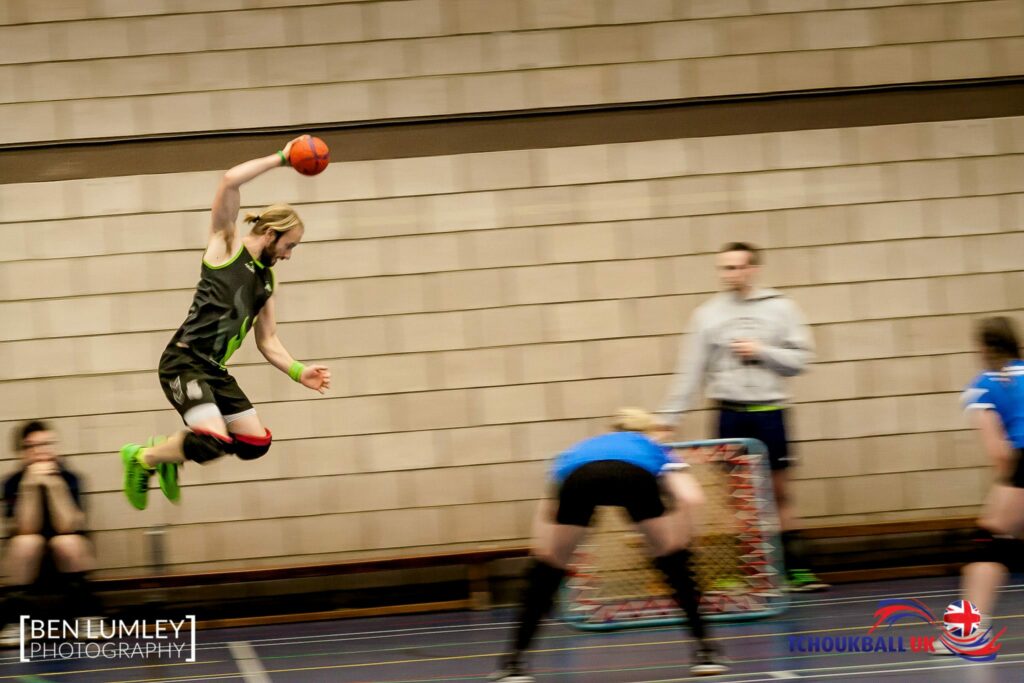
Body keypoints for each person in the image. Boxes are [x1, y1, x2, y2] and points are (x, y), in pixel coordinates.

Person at [120, 138, 331, 510]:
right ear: (271, 234)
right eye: (290, 245)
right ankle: (144, 458)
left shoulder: (267, 280)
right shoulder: (226, 244)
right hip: (183, 361)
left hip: (214, 370)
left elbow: (268, 341)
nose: (289, 255)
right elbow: (230, 181)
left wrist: (300, 372)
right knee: (213, 441)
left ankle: (171, 455)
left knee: (255, 444)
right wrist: (282, 157)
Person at [489, 408, 728, 682]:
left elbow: (547, 512)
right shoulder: (653, 447)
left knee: (545, 575)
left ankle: (513, 662)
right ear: (646, 431)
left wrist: (545, 561)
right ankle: (706, 652)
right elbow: (690, 497)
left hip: (579, 480)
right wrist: (679, 547)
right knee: (676, 568)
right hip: (634, 478)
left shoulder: (577, 450)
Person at [657, 242, 826, 592]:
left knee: (780, 494)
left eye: (737, 268)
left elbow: (801, 361)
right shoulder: (706, 315)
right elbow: (690, 372)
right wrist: (668, 418)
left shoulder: (782, 308)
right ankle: (749, 572)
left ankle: (795, 570)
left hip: (769, 411)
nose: (730, 275)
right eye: (725, 268)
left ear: (753, 269)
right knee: (737, 499)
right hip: (729, 414)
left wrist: (761, 350)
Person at [932, 316, 1024, 654]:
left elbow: (999, 452)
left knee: (988, 544)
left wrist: (1005, 491)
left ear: (983, 348)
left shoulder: (986, 383)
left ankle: (966, 635)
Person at [1, 421, 102, 647]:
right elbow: (25, 528)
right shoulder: (12, 483)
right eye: (31, 447)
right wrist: (30, 485)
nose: (40, 451)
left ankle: (86, 615)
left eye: (46, 444)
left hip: (68, 563)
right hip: (28, 567)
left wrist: (54, 485)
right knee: (26, 542)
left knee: (66, 541)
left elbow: (68, 525)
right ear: (22, 453)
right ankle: (18, 621)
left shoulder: (70, 478)